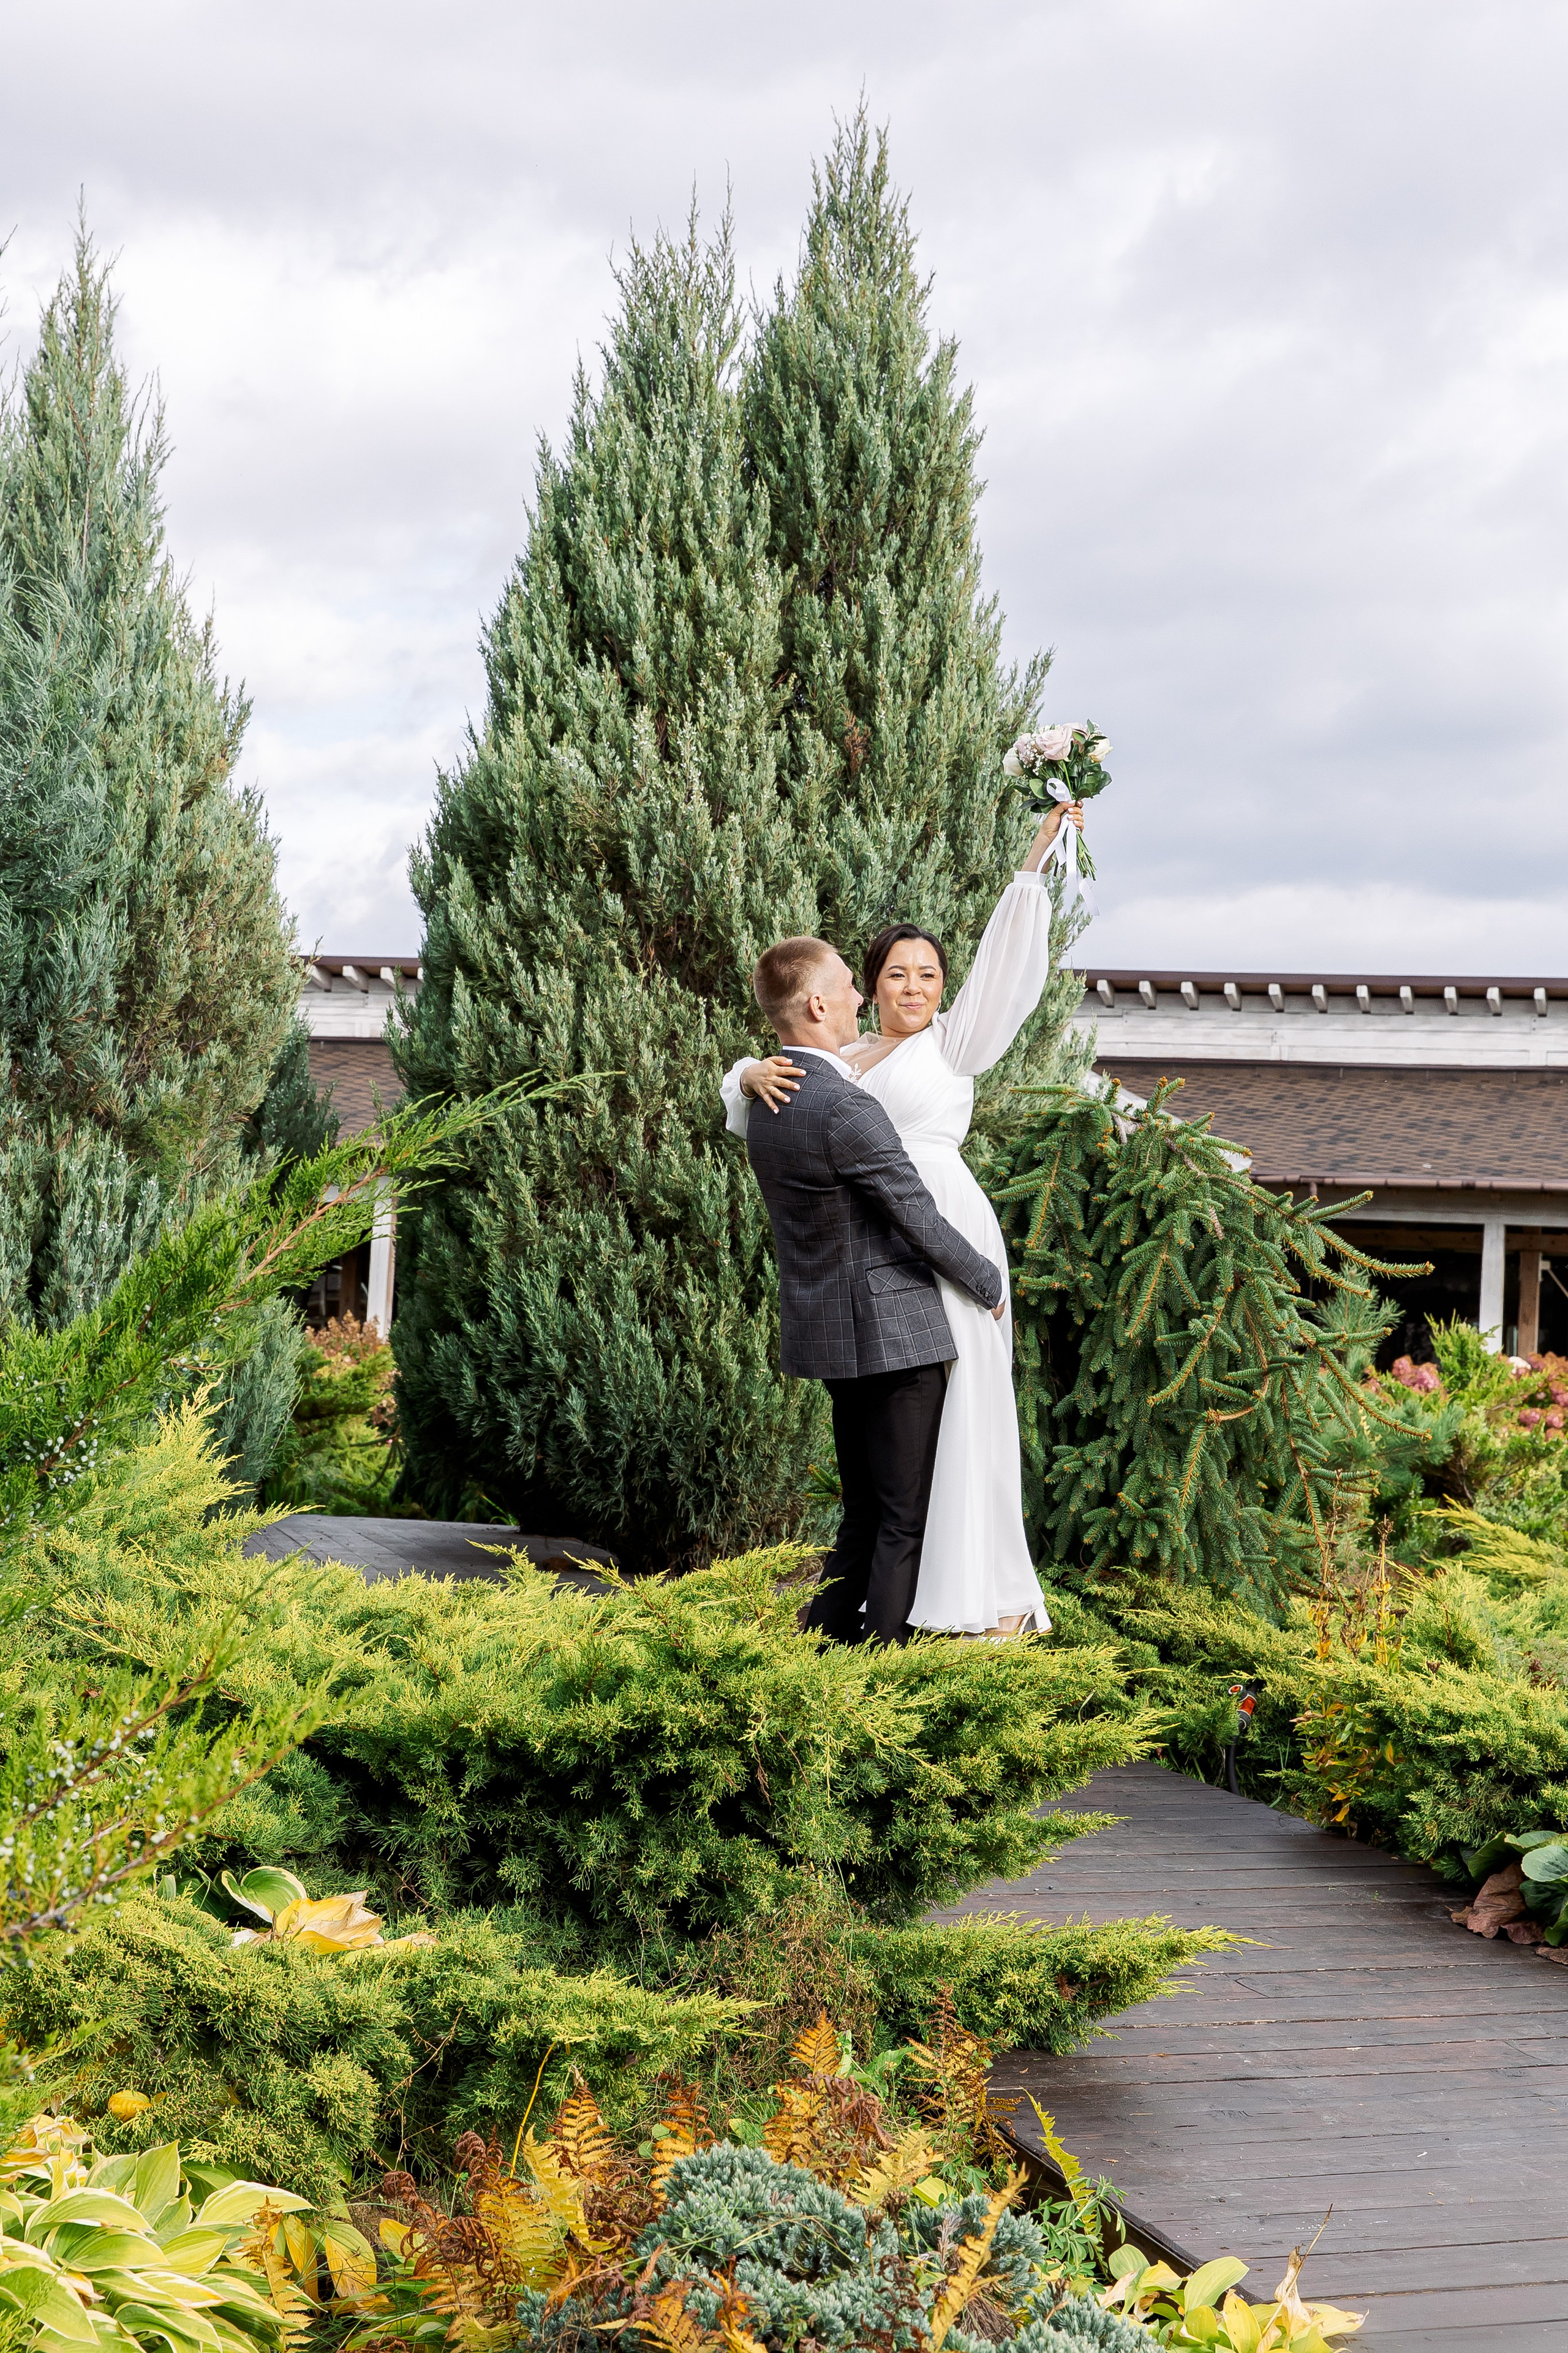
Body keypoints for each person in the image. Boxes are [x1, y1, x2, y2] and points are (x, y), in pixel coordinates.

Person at [723, 801, 1082, 1636]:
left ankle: (968, 1591)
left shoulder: (953, 1045)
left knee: (960, 1417)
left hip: (941, 1231)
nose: (913, 986)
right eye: (893, 974)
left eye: (928, 974)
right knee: (903, 1462)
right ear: (870, 986)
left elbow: (1008, 968)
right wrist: (744, 1074)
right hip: (879, 1255)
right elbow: (775, 1073)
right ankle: (900, 1618)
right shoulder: (834, 1065)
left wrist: (1035, 860)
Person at [739, 932, 1006, 1645]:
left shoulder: (766, 1102)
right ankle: (882, 1679)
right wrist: (986, 1281)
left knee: (862, 1515)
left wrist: (740, 1073)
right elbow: (916, 1212)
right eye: (851, 985)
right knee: (900, 1521)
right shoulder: (846, 1108)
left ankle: (817, 1656)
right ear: (819, 1001)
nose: (864, 995)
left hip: (830, 1336)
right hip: (894, 1337)